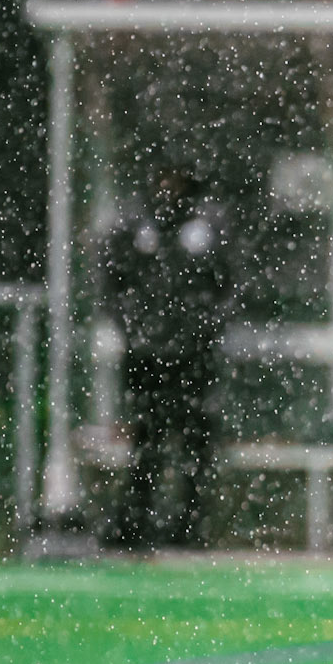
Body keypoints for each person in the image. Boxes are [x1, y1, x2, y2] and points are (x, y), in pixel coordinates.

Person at [104, 167, 230, 550]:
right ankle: (136, 522)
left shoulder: (208, 228)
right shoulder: (137, 226)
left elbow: (227, 287)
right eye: (163, 179)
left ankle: (189, 525)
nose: (169, 188)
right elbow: (113, 282)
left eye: (176, 181)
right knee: (147, 441)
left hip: (193, 357)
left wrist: (200, 331)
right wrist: (136, 331)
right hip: (147, 357)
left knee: (194, 441)